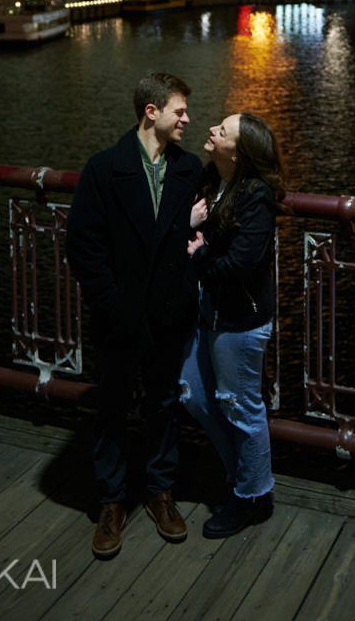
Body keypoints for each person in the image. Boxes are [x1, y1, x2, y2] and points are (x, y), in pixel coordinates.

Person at [66, 71, 203, 559]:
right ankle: (111, 500)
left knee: (164, 404)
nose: (187, 118)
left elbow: (195, 243)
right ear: (152, 112)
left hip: (168, 312)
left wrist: (185, 284)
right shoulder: (105, 169)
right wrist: (113, 301)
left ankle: (160, 492)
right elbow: (83, 247)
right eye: (179, 110)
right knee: (113, 405)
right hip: (120, 315)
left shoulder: (190, 170)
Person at [180, 111, 284, 539]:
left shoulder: (256, 195)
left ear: (238, 152)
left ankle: (252, 495)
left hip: (241, 320)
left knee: (242, 409)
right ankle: (239, 476)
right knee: (195, 394)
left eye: (222, 131)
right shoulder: (210, 179)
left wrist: (200, 253)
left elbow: (242, 264)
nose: (211, 130)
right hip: (211, 310)